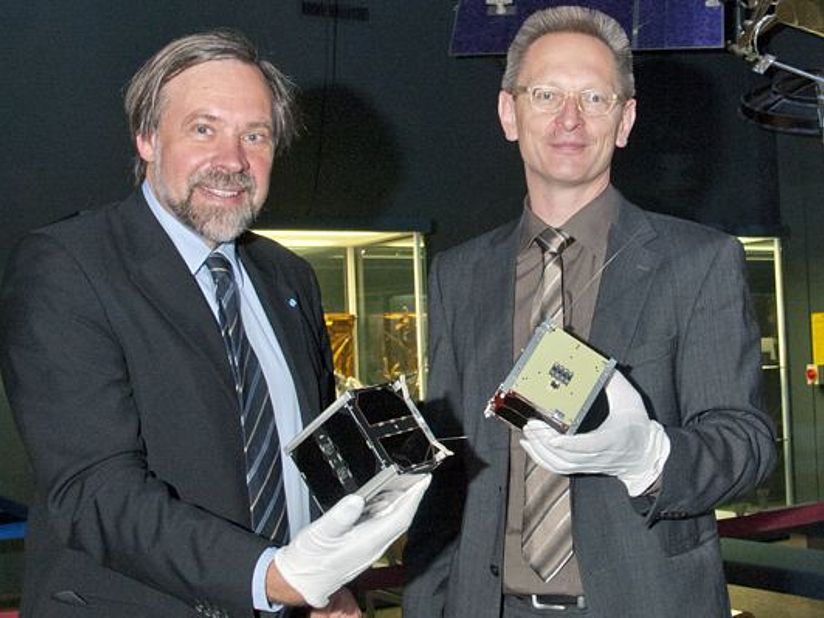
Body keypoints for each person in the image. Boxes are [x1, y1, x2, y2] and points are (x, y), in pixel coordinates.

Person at [0, 30, 430, 618]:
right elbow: (93, 490)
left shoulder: (289, 278)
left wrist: (328, 582)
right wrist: (270, 577)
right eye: (204, 129)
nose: (233, 161)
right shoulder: (68, 265)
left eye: (255, 135)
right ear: (147, 138)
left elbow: (309, 459)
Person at [403, 6, 776, 618]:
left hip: (644, 601)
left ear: (625, 120)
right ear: (509, 113)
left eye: (595, 98)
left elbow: (747, 444)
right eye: (546, 94)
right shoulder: (458, 274)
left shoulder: (699, 262)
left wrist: (649, 456)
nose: (569, 118)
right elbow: (449, 473)